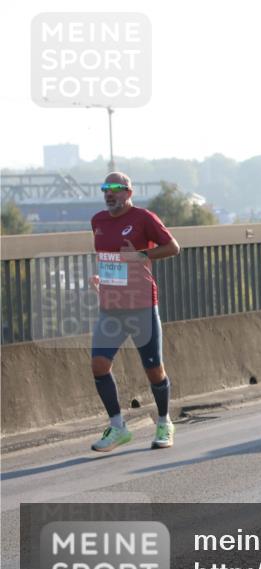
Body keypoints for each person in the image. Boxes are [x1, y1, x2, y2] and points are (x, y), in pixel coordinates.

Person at [89, 172, 181, 453]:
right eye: (106, 188)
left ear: (129, 193)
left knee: (154, 370)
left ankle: (164, 422)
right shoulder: (97, 221)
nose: (109, 193)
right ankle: (118, 427)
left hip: (141, 304)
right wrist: (102, 280)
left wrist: (141, 255)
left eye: (116, 189)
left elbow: (173, 247)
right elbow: (109, 258)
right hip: (111, 306)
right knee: (99, 365)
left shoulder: (144, 218)